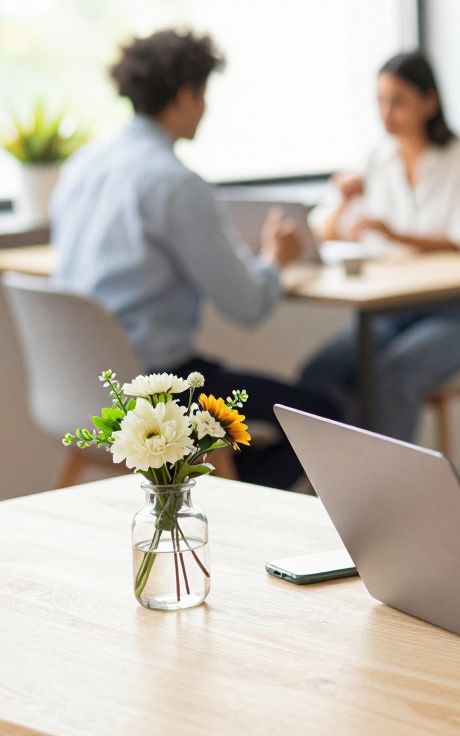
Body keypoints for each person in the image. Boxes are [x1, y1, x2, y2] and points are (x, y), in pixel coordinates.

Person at [51, 29, 340, 490]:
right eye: (203, 95)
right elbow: (247, 307)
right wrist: (274, 258)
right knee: (325, 415)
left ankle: (206, 487)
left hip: (79, 386)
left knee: (235, 397)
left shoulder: (82, 166)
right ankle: (222, 494)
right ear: (186, 95)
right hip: (158, 390)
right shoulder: (174, 184)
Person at [301, 51, 460, 443]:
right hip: (392, 312)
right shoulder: (377, 158)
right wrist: (343, 199)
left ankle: (384, 494)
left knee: (393, 373)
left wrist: (393, 234)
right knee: (321, 373)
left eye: (398, 101)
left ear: (430, 102)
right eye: (379, 101)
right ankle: (342, 477)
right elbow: (324, 232)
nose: (386, 113)